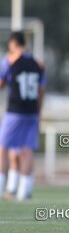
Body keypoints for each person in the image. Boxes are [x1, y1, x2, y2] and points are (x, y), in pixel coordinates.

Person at [0, 31, 45, 201]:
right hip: (32, 113)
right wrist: (39, 111)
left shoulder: (9, 61)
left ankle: (2, 185)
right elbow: (42, 92)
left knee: (3, 148)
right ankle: (24, 190)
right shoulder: (38, 64)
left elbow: (1, 83)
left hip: (14, 111)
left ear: (13, 43)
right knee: (26, 151)